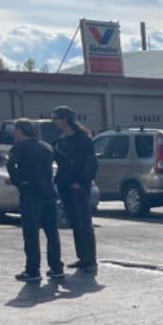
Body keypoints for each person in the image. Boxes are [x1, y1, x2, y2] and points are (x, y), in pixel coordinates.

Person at [5, 119, 65, 282]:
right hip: (48, 193)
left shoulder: (20, 147)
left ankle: (32, 270)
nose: (13, 134)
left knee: (31, 233)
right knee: (52, 232)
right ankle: (56, 267)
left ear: (20, 131)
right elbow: (65, 162)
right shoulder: (46, 146)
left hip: (30, 193)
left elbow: (10, 165)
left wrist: (19, 182)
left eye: (15, 130)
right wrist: (55, 180)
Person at [50, 106, 98, 273]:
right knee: (74, 222)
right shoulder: (61, 140)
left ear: (65, 119)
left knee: (84, 222)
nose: (54, 121)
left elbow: (91, 163)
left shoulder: (83, 139)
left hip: (78, 186)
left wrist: (82, 182)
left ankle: (90, 259)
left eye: (56, 118)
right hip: (64, 186)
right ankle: (82, 257)